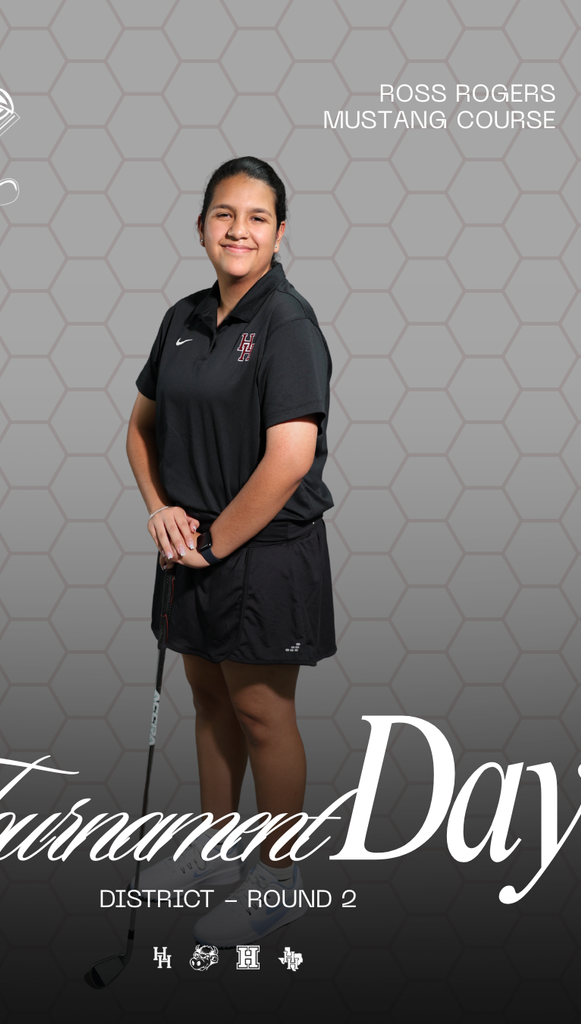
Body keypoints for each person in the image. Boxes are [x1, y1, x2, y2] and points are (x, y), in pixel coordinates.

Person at [126, 156, 336, 946]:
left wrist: (210, 543)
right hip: (193, 549)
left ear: (279, 232)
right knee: (207, 700)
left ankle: (278, 879)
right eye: (223, 214)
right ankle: (218, 857)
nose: (237, 229)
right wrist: (162, 514)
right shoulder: (181, 317)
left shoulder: (288, 324)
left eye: (255, 217)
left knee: (260, 710)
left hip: (265, 549)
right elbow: (139, 429)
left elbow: (288, 458)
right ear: (202, 226)